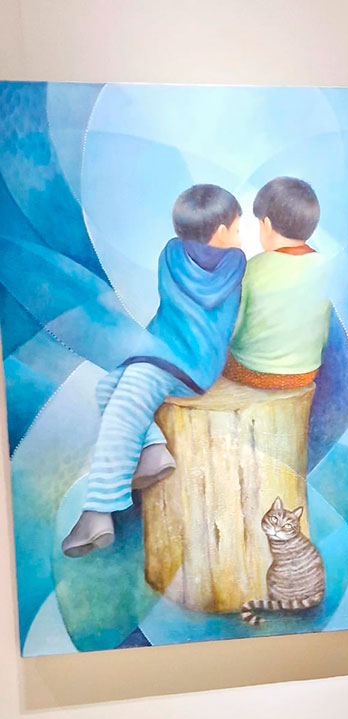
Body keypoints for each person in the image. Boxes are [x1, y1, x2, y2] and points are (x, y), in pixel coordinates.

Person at [62, 184, 246, 557]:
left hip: (176, 361)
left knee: (127, 401)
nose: (241, 236)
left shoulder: (172, 254)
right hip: (181, 360)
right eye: (238, 227)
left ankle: (98, 510)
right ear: (221, 231)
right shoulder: (235, 263)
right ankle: (153, 451)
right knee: (108, 387)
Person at [224, 176, 331, 389]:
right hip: (306, 372)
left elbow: (234, 326)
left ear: (266, 224)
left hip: (251, 370)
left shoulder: (253, 267)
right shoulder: (326, 267)